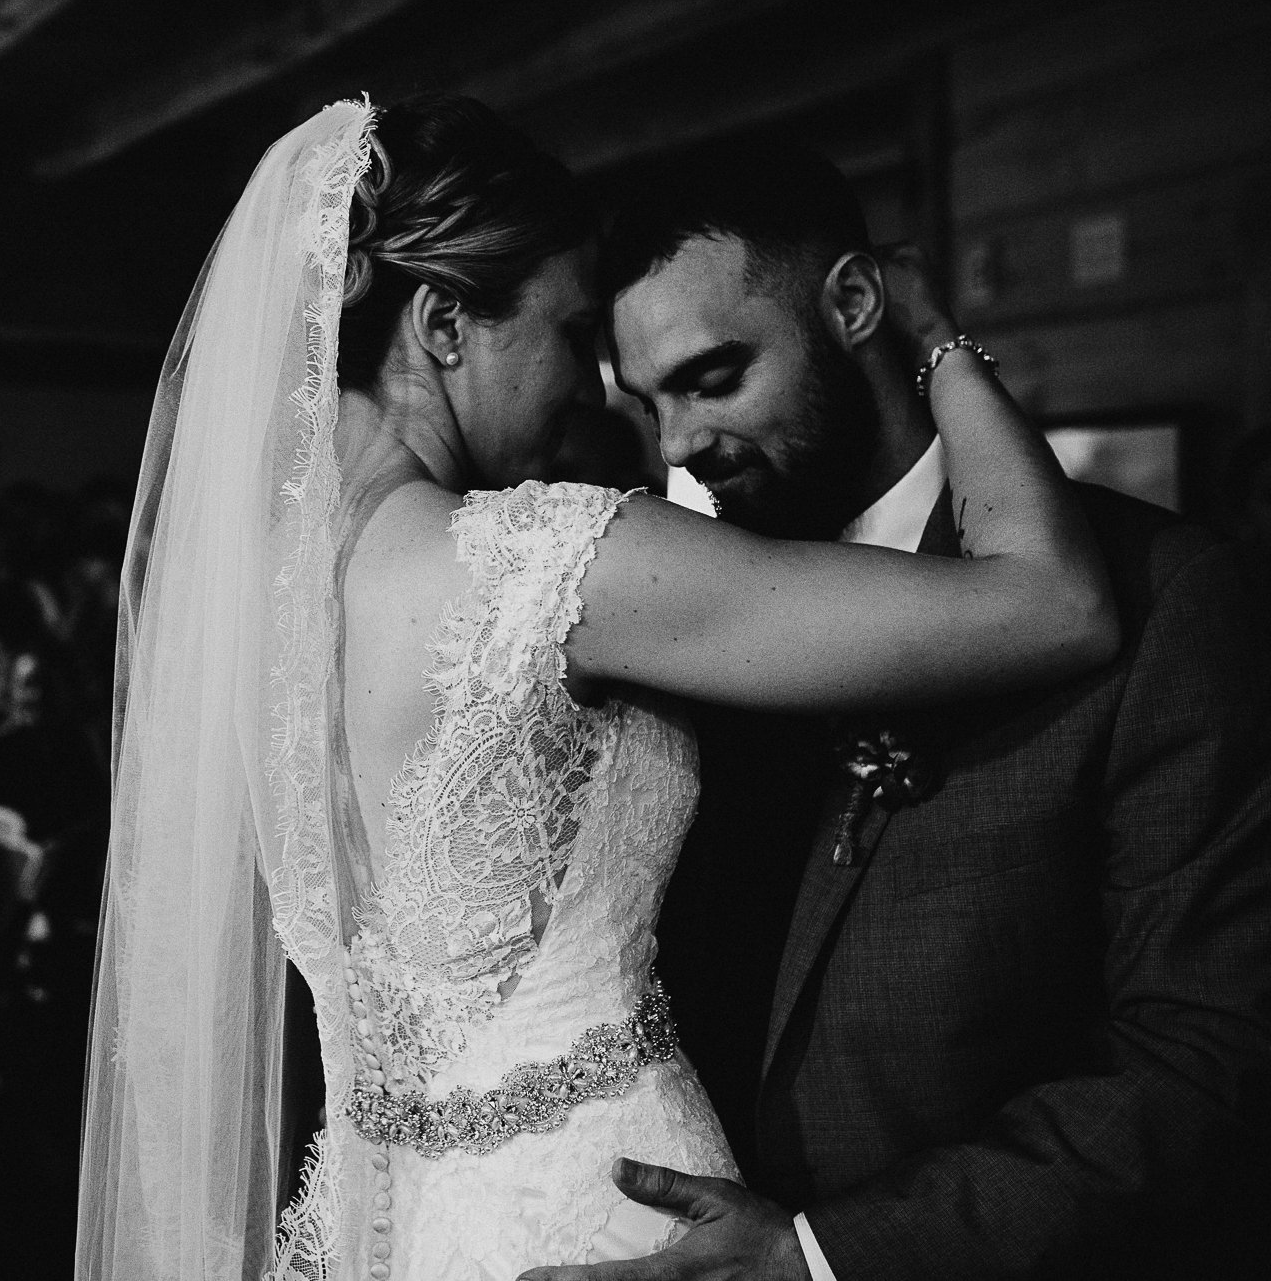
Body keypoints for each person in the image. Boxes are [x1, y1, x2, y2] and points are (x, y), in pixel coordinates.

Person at [77, 96, 1118, 1281]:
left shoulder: (252, 608)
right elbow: (1054, 601)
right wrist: (932, 336)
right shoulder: (545, 561)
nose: (596, 394)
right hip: (598, 1212)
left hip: (391, 1220)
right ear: (442, 324)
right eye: (571, 336)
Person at [522, 139, 1271, 1280]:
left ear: (855, 303)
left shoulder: (1165, 596)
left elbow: (1206, 1054)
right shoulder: (691, 613)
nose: (676, 446)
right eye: (651, 401)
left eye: (713, 377)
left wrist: (825, 1254)